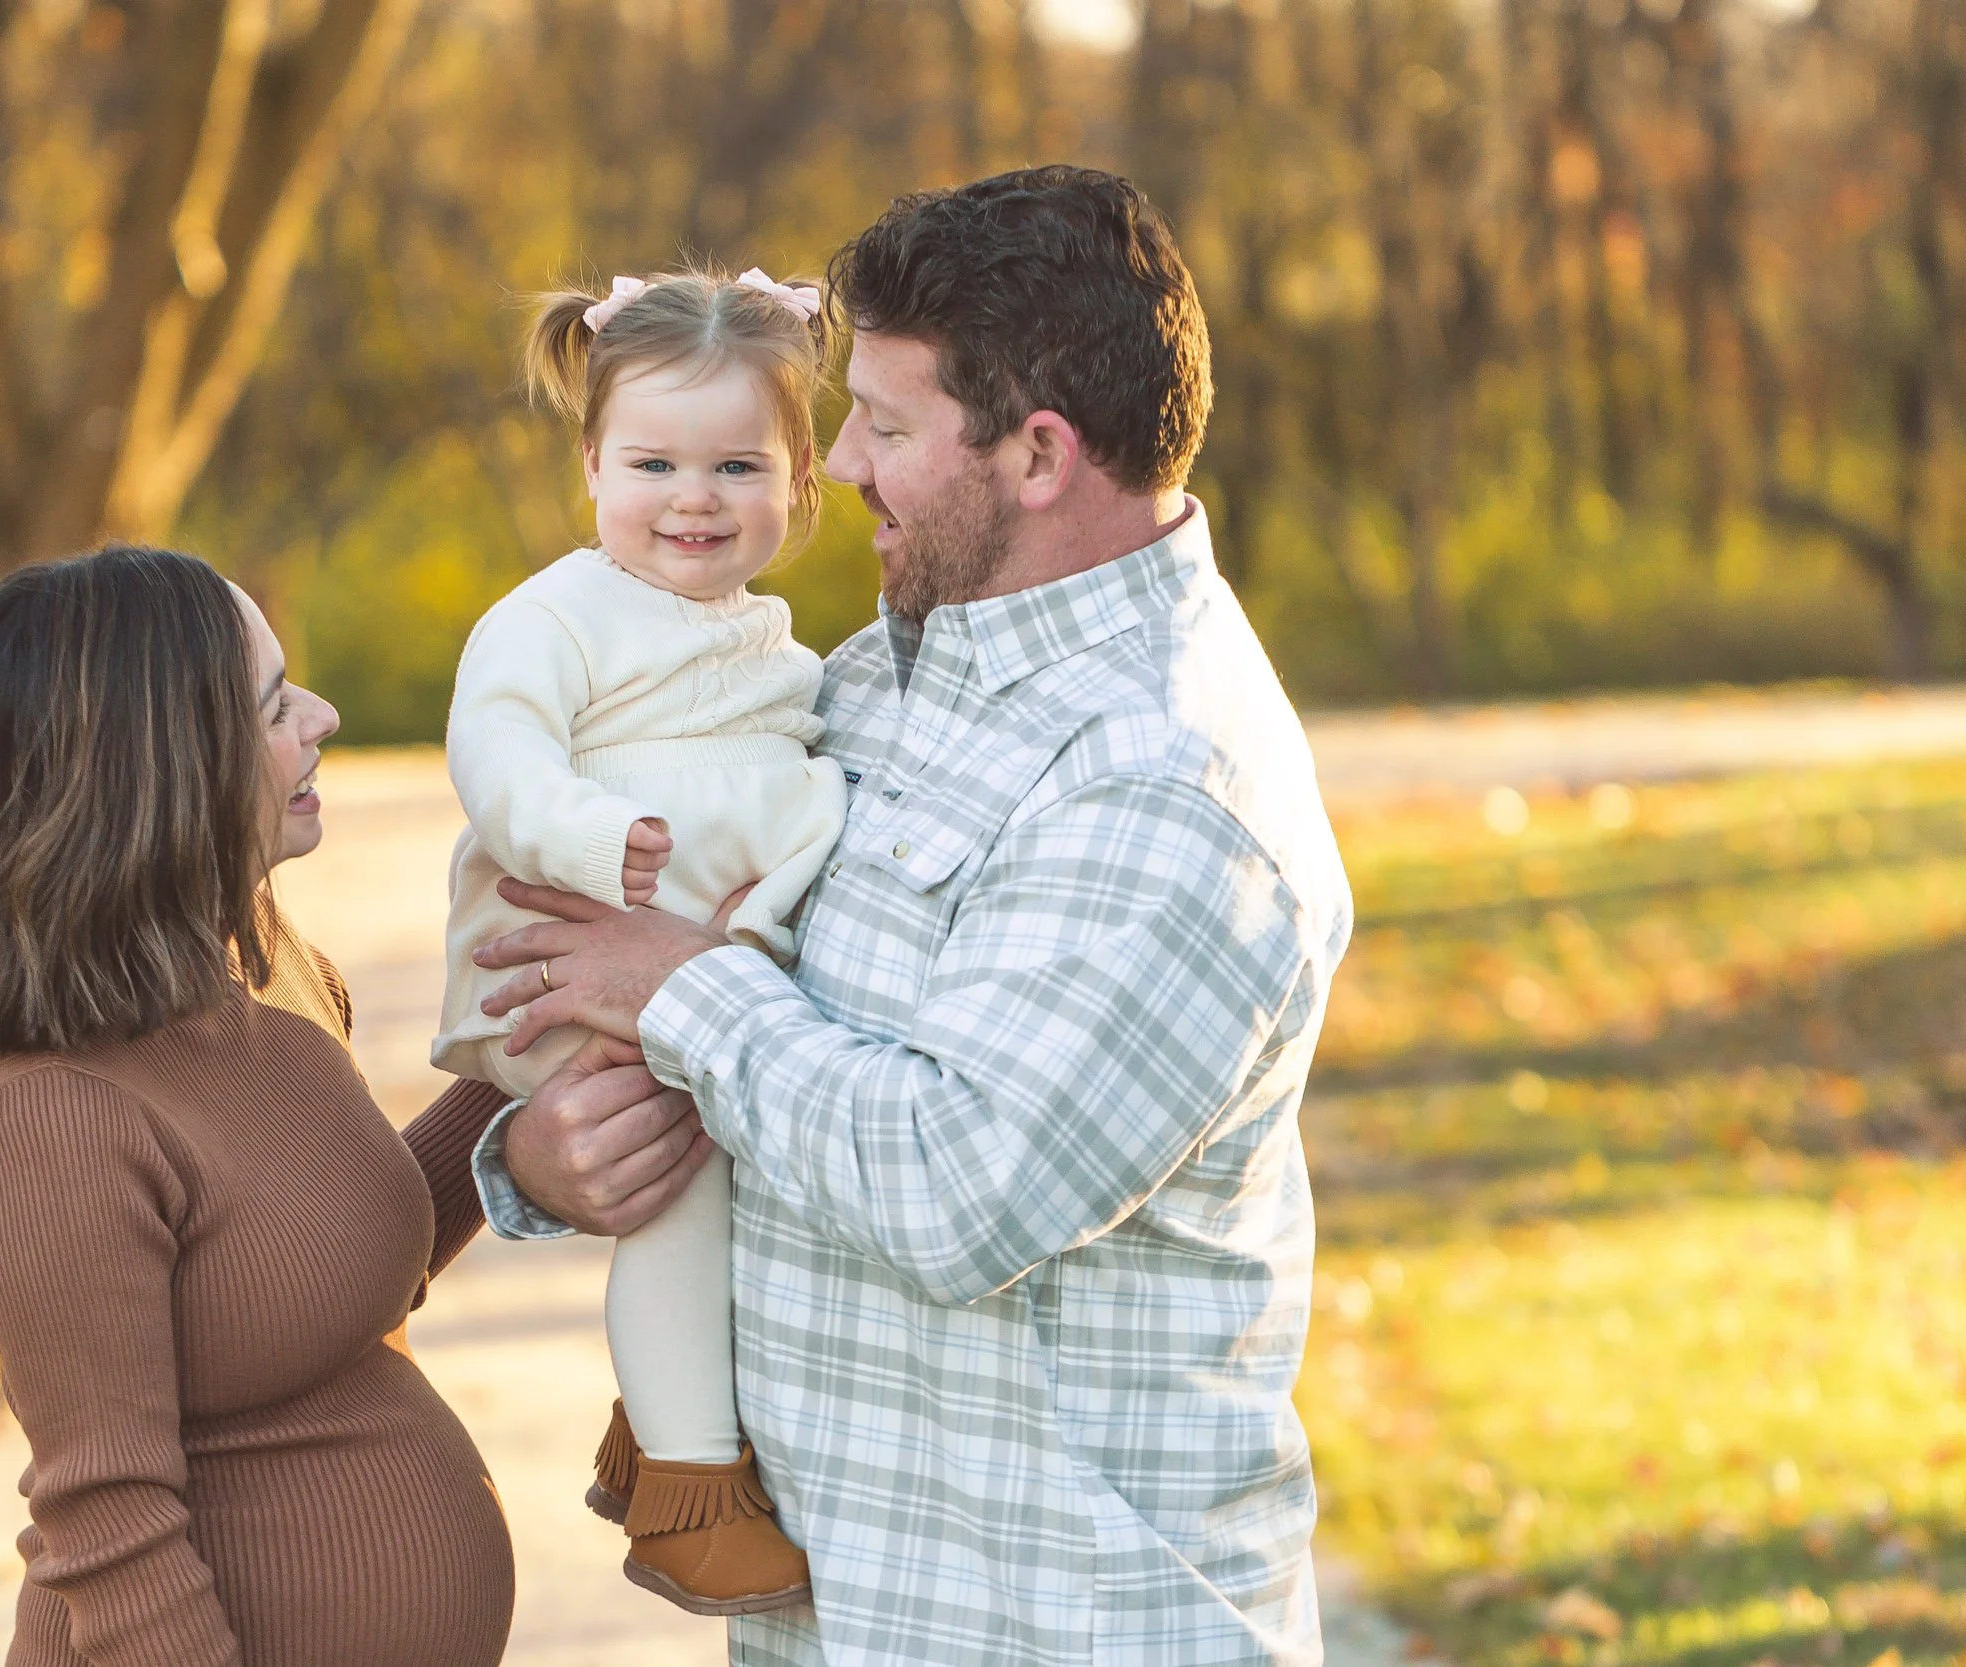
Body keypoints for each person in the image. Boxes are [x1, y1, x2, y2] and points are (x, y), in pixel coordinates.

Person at [466, 167, 1355, 1666]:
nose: (841, 469)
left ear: (1039, 453)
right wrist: (553, 1153)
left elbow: (955, 1190)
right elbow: (742, 1053)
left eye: (883, 425)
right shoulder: (880, 676)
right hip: (849, 1619)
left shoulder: (1169, 787)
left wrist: (675, 989)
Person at [0, 544, 515, 1667]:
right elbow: (111, 1526)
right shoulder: (50, 1117)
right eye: (274, 705)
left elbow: (317, 1254)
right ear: (155, 765)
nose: (320, 715)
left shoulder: (258, 959)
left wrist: (519, 1082)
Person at [430, 267, 846, 1614]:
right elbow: (494, 745)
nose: (696, 497)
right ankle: (686, 1490)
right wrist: (581, 834)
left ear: (801, 481)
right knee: (684, 1185)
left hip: (671, 945)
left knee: (736, 1178)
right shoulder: (559, 614)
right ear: (593, 464)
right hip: (568, 941)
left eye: (740, 463)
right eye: (654, 460)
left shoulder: (766, 637)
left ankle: (666, 1424)